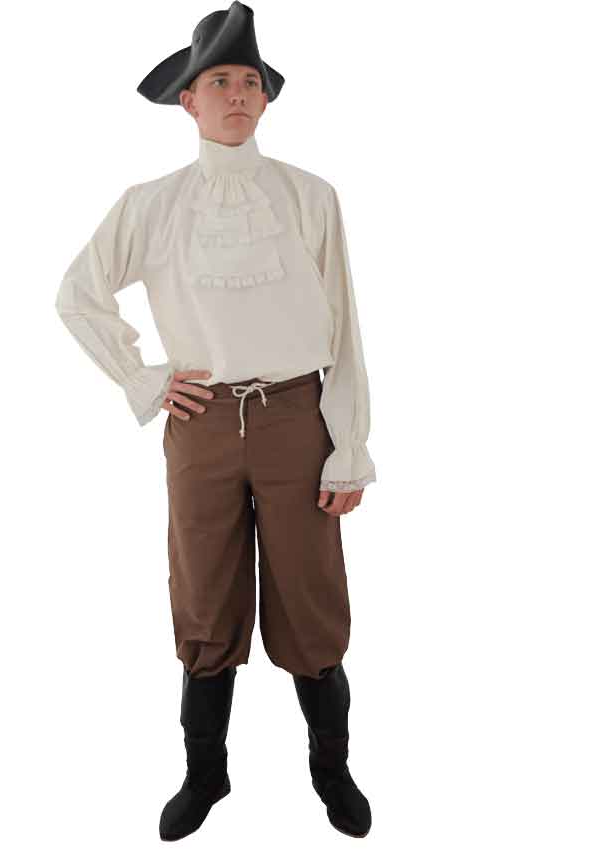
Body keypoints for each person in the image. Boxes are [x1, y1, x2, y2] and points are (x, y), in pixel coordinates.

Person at [55, 2, 376, 840]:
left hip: (297, 417)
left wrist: (349, 447)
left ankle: (332, 769)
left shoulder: (309, 197)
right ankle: (206, 774)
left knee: (310, 594)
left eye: (250, 82)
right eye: (219, 81)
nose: (236, 94)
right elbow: (78, 296)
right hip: (200, 424)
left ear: (266, 99)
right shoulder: (151, 204)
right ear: (188, 101)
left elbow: (344, 327)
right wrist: (146, 378)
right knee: (203, 594)